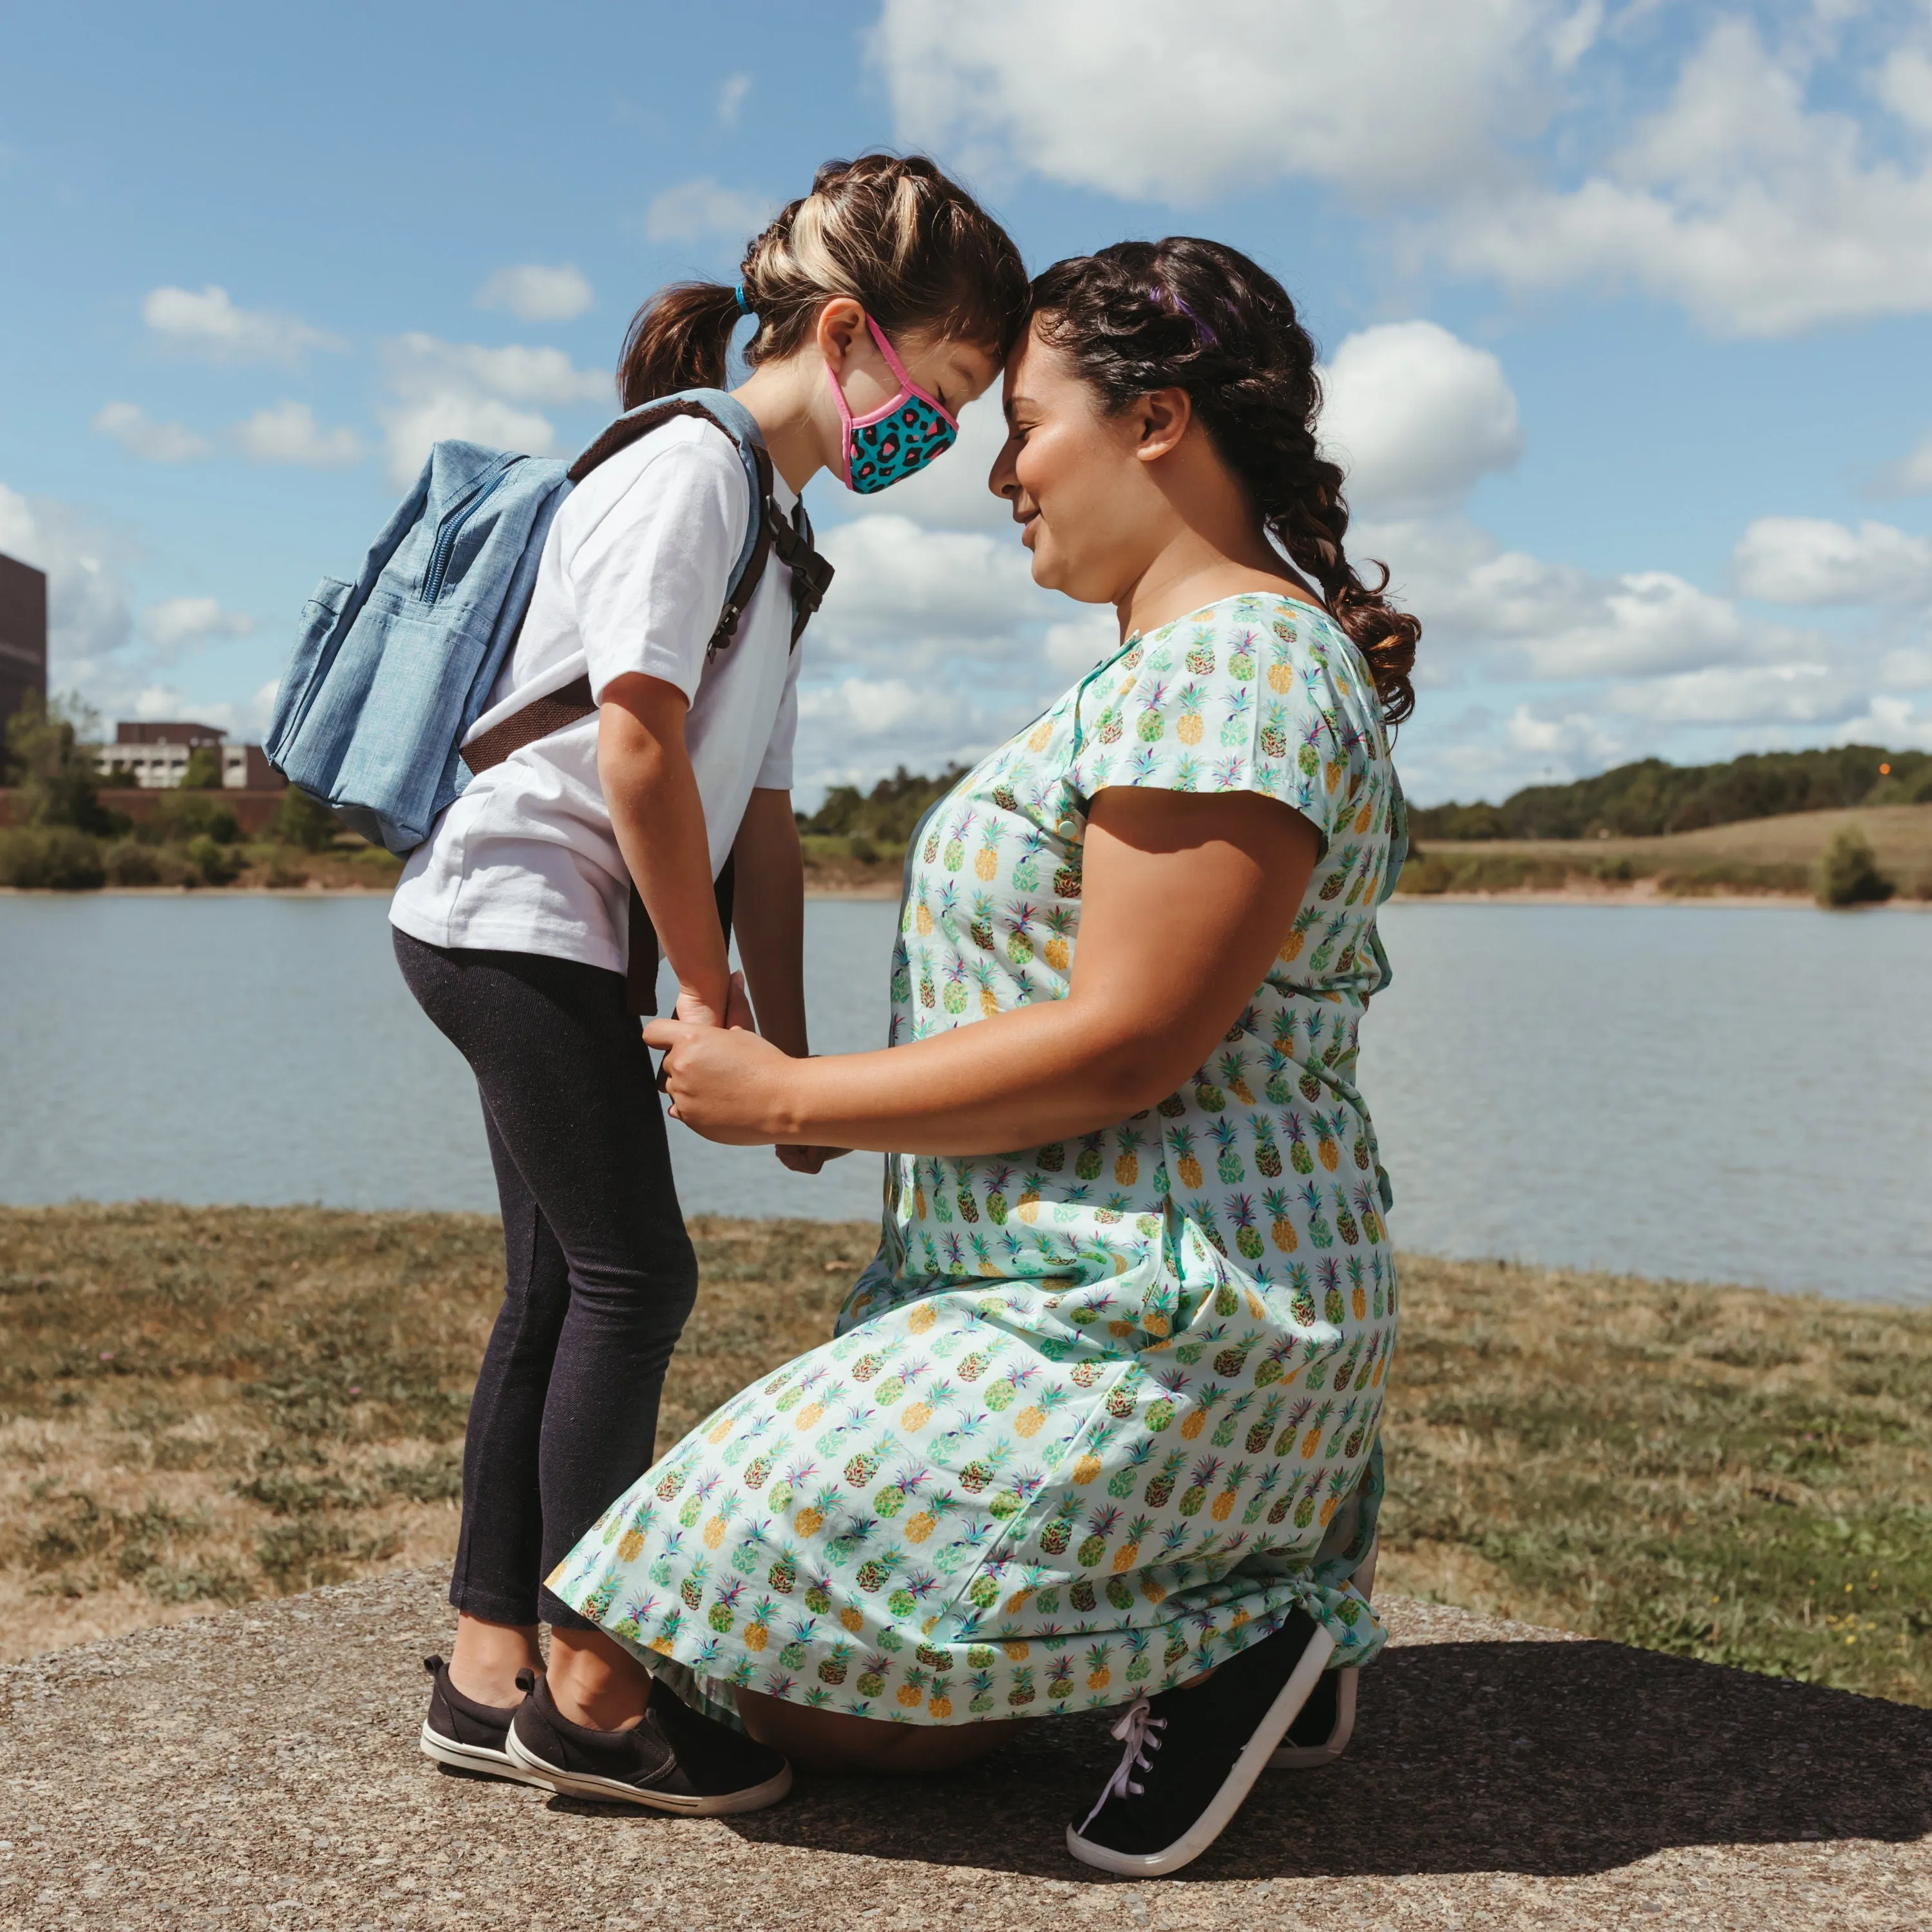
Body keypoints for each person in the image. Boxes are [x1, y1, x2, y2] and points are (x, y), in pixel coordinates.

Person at [548, 235, 1422, 1874]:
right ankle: (1229, 1625)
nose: (997, 470)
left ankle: (1247, 1629)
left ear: (1157, 421)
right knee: (829, 1710)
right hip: (1063, 1293)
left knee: (625, 1635)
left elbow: (1127, 1046)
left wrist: (788, 1094)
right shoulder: (1176, 664)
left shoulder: (1235, 661)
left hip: (1149, 1317)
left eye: (1024, 424)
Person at [395, 153, 1028, 1815]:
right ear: (848, 334)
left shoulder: (783, 530)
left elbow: (763, 822)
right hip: (516, 915)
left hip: (562, 933)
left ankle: (489, 1670)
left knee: (560, 1288)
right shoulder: (691, 467)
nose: (943, 432)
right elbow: (637, 746)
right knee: (635, 1283)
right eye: (944, 387)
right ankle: (592, 1697)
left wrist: (799, 1073)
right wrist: (706, 993)